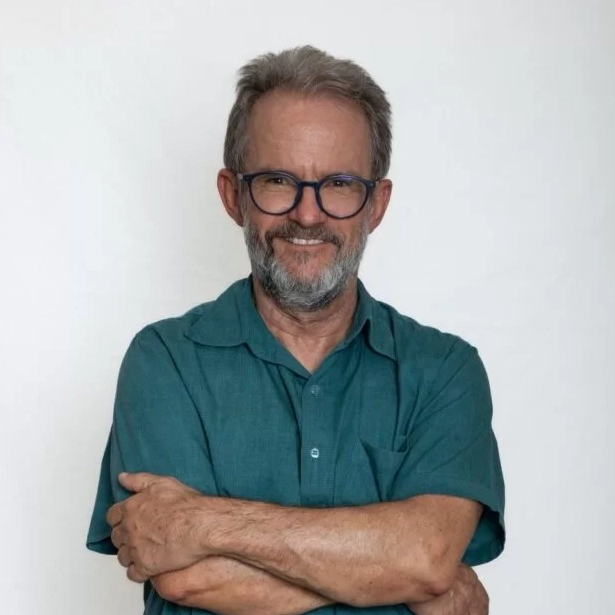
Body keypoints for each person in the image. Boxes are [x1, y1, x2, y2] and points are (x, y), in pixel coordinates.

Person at [86, 45, 505, 615]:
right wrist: (396, 571)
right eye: (278, 180)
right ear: (233, 195)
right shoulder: (164, 360)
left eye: (339, 184)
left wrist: (202, 522)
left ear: (376, 205)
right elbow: (185, 579)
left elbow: (427, 556)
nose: (308, 215)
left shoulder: (445, 371)